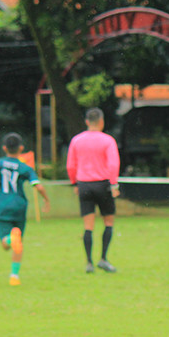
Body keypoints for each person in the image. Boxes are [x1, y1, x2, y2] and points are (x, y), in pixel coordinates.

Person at [0, 133, 50, 286]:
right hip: (19, 206)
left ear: (4, 148)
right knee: (19, 242)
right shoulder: (24, 167)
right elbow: (38, 186)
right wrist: (46, 199)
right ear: (21, 148)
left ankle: (10, 239)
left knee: (6, 243)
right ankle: (14, 276)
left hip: (1, 205)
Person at [66, 107, 120, 273]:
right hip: (103, 184)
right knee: (108, 222)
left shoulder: (76, 140)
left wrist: (75, 183)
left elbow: (71, 165)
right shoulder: (108, 140)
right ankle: (103, 259)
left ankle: (89, 262)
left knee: (88, 226)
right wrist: (114, 184)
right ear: (102, 121)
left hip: (84, 184)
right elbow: (113, 164)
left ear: (87, 122)